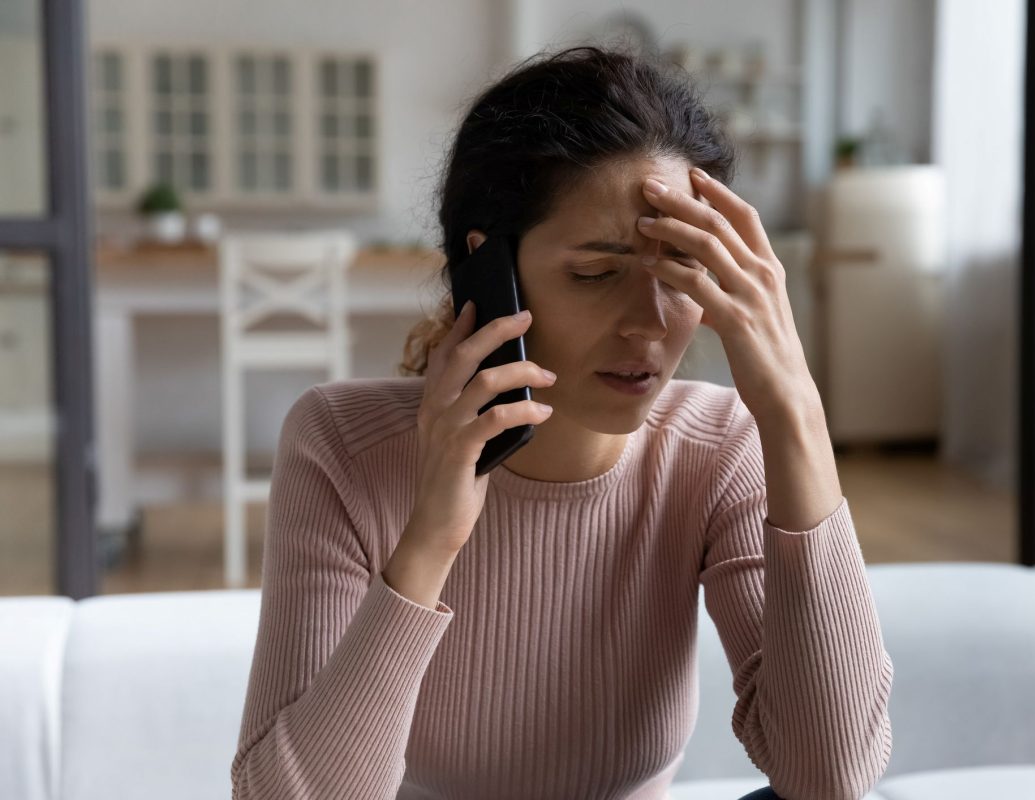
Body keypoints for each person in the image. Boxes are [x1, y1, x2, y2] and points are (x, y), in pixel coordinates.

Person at [230, 44, 893, 800]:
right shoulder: (343, 445)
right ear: (493, 272)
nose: (649, 326)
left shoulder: (714, 446)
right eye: (596, 273)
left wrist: (795, 413)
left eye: (678, 273)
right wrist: (430, 540)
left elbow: (832, 775)